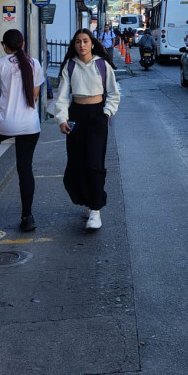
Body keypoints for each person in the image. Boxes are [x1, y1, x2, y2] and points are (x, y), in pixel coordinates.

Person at [51, 28, 121, 230]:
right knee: (76, 162)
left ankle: (96, 209)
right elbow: (63, 97)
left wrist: (106, 113)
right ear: (74, 45)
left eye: (85, 41)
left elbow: (113, 93)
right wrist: (62, 119)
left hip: (97, 115)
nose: (81, 45)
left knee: (94, 162)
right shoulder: (70, 66)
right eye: (78, 42)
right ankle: (88, 201)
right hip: (76, 115)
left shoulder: (102, 64)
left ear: (92, 43)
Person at [0, 29, 45, 232]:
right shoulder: (35, 64)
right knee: (25, 168)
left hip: (5, 122)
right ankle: (27, 217)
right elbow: (35, 95)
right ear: (22, 44)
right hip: (30, 124)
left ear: (4, 46)